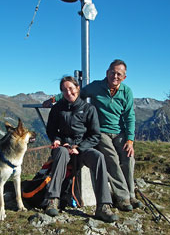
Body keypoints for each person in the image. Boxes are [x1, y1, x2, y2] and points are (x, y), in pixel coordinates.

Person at [44, 59, 143, 211]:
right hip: (101, 130)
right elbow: (74, 92)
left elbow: (129, 116)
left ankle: (131, 195)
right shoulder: (96, 86)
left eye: (119, 74)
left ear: (124, 77)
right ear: (107, 73)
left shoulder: (126, 92)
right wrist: (55, 98)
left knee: (128, 158)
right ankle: (122, 198)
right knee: (112, 158)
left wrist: (130, 140)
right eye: (112, 72)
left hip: (119, 132)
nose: (115, 76)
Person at [44, 76, 118, 223]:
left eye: (71, 88)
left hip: (82, 147)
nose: (68, 92)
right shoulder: (57, 109)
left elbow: (95, 135)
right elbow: (51, 130)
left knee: (98, 157)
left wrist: (80, 147)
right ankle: (53, 200)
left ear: (77, 88)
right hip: (64, 146)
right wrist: (57, 139)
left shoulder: (89, 109)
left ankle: (103, 206)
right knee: (60, 153)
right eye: (64, 90)